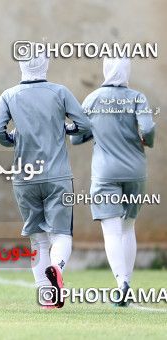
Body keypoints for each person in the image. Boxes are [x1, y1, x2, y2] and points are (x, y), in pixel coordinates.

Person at [0, 50, 91, 308]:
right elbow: (85, 125)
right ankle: (57, 268)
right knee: (61, 234)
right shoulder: (60, 92)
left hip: (24, 177)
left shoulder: (9, 95)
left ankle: (45, 296)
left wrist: (13, 139)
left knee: (37, 237)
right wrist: (66, 128)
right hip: (57, 175)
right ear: (46, 63)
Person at [71, 57, 155, 306]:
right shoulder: (138, 97)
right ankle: (127, 282)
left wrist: (96, 133)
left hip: (105, 173)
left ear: (106, 71)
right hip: (136, 171)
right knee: (128, 227)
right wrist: (146, 142)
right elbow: (148, 129)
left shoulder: (93, 99)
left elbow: (76, 136)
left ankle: (121, 283)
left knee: (111, 230)